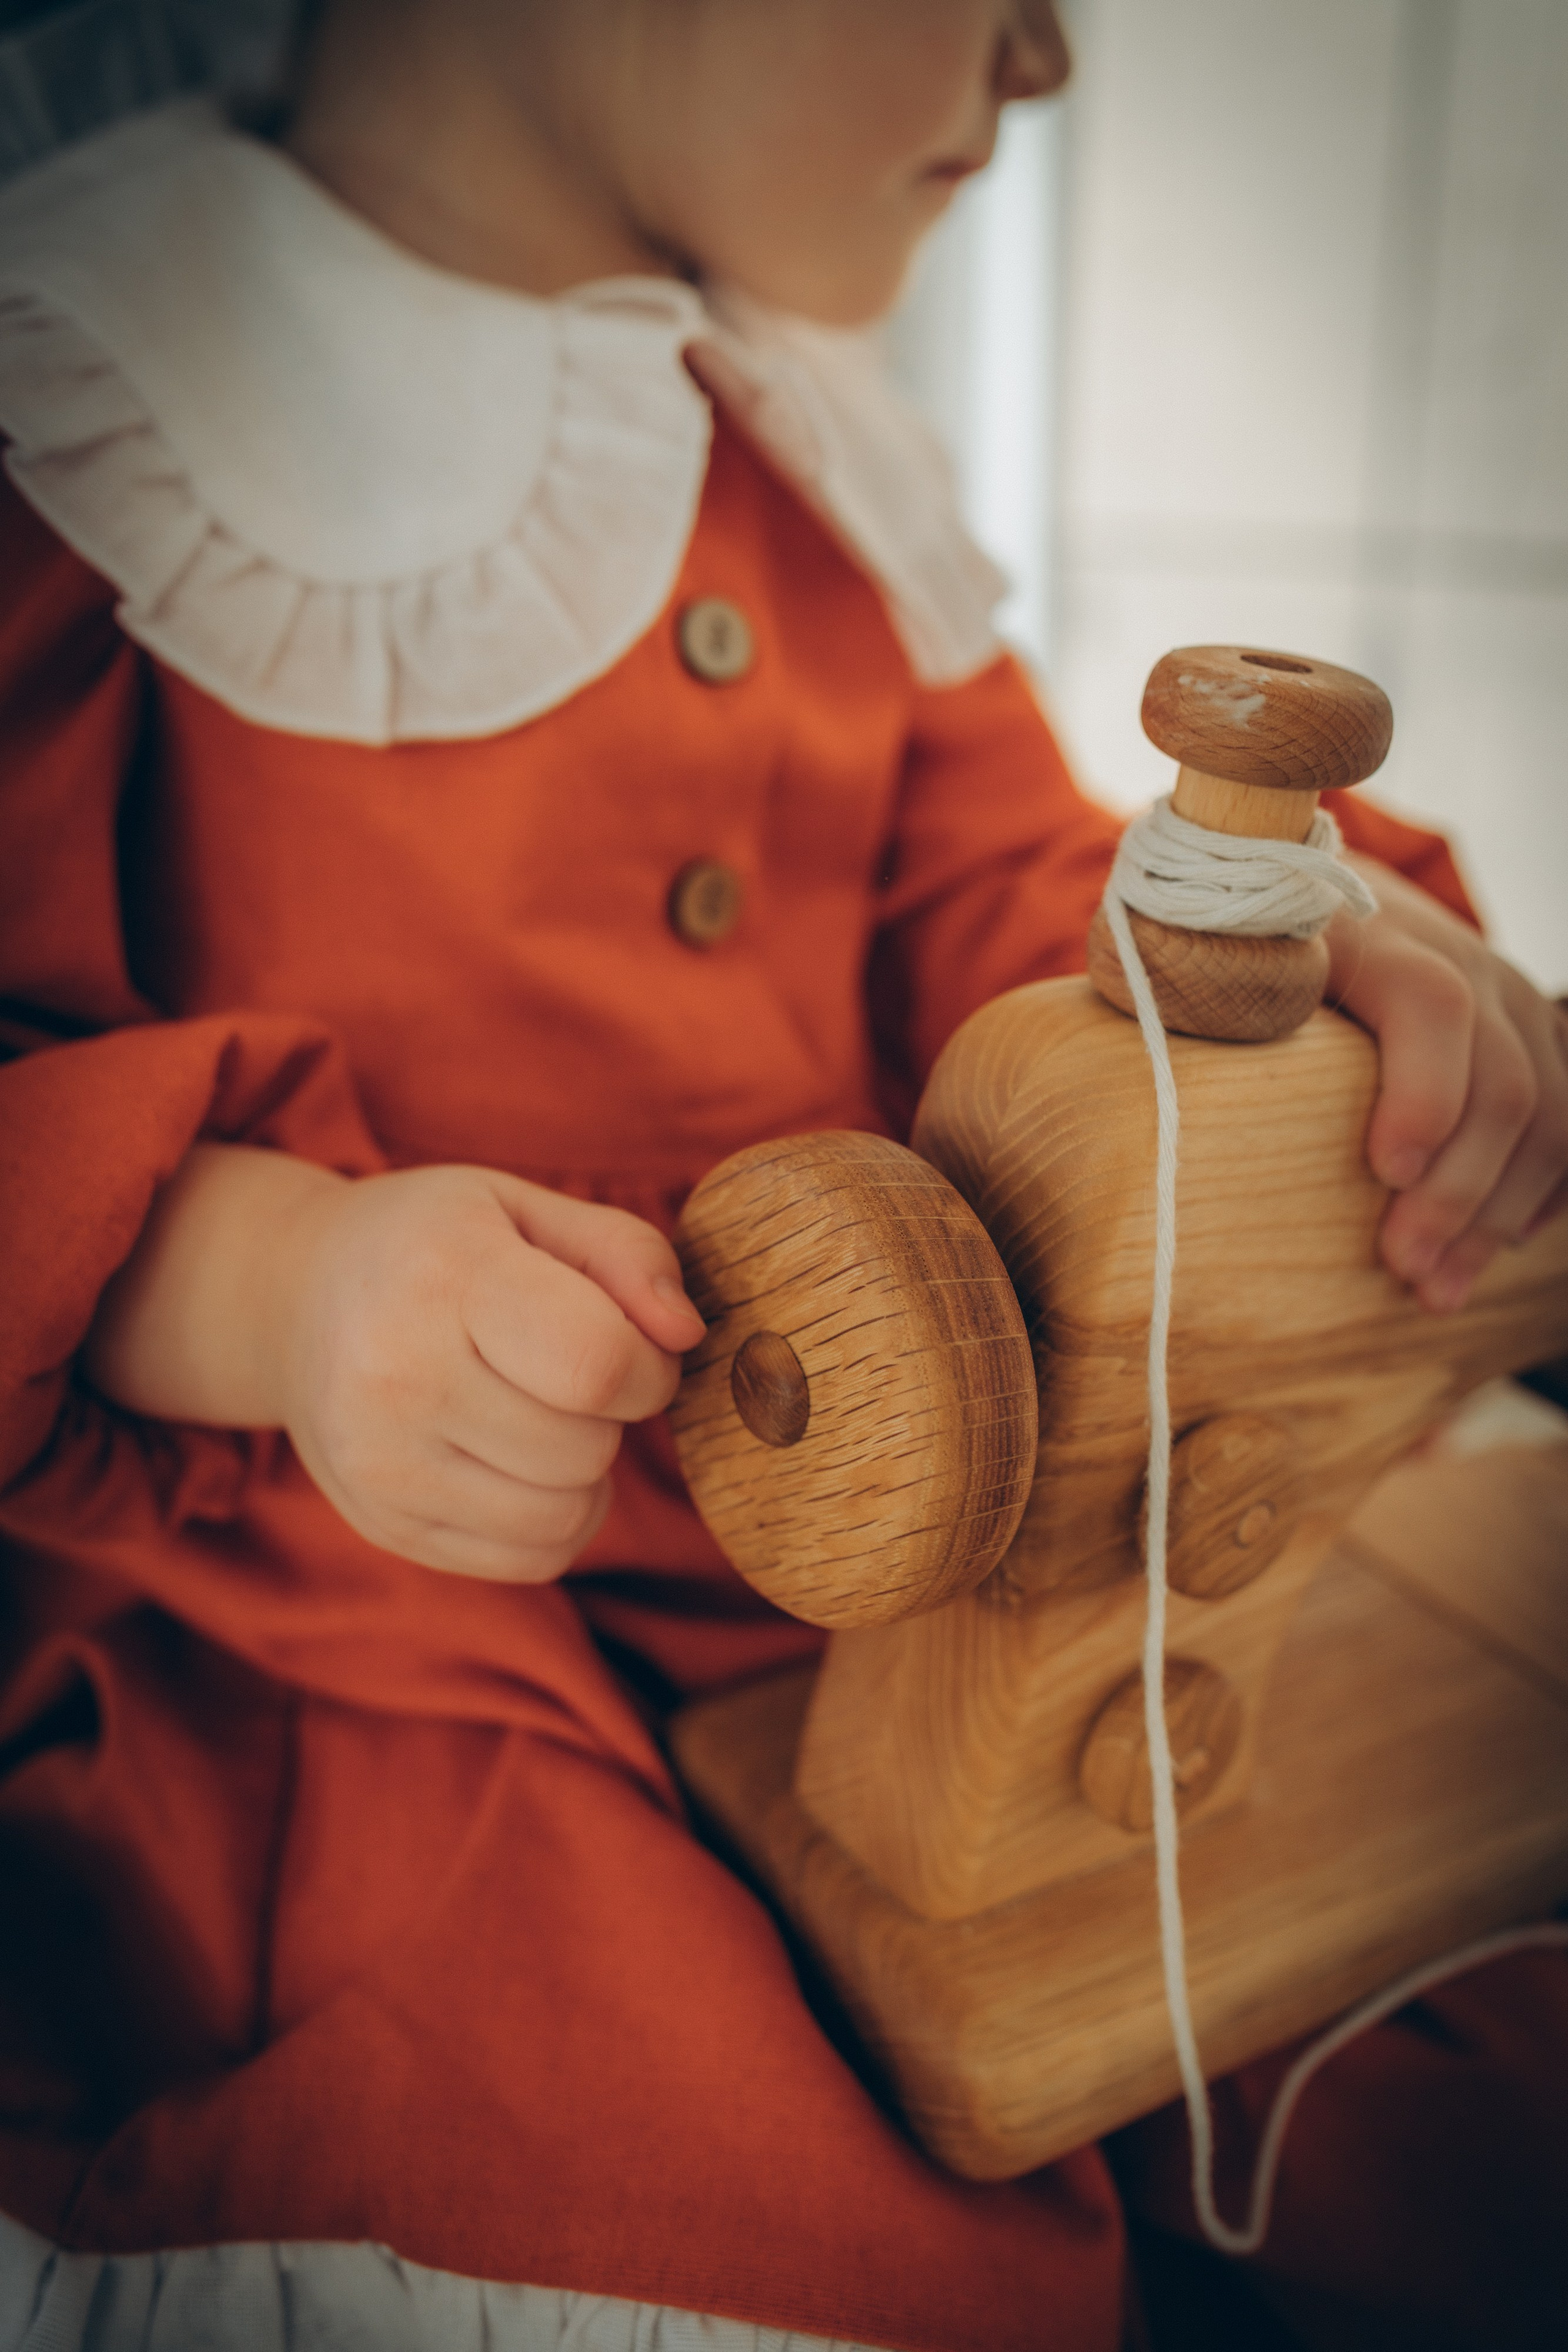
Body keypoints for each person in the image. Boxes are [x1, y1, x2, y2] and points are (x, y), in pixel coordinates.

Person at [0, 3, 1564, 2345]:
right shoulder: (102, 389)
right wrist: (288, 1283)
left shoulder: (807, 444)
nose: (1042, 59)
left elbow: (1002, 913)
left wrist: (1292, 942)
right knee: (720, 2186)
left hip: (923, 1531)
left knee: (1417, 2065)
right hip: (366, 1636)